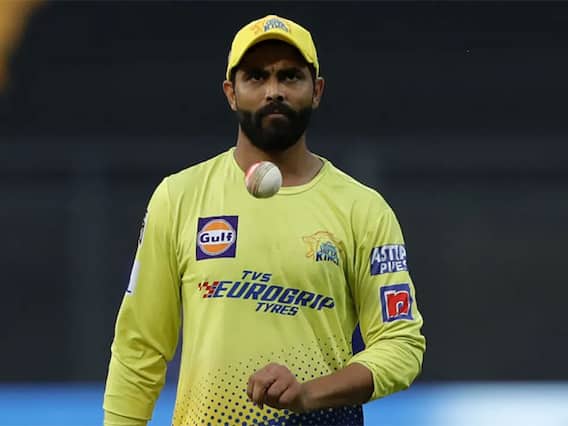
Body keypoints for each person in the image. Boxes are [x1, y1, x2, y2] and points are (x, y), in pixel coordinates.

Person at [103, 14, 426, 426]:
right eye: (256, 76)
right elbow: (139, 347)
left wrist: (307, 394)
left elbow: (400, 345)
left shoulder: (362, 209)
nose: (274, 90)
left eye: (290, 76)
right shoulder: (179, 197)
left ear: (317, 90)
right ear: (231, 93)